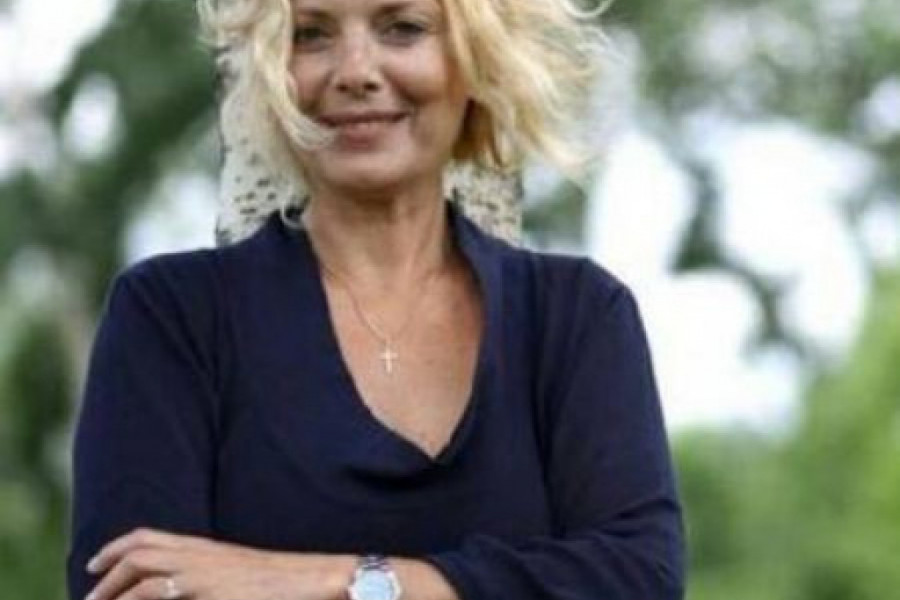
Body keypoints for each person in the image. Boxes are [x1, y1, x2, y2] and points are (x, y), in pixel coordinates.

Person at [67, 0, 685, 599]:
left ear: (474, 58)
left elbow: (638, 579)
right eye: (311, 34)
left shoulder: (576, 316)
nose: (355, 72)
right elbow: (134, 588)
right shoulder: (173, 318)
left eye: (403, 27)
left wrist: (332, 581)